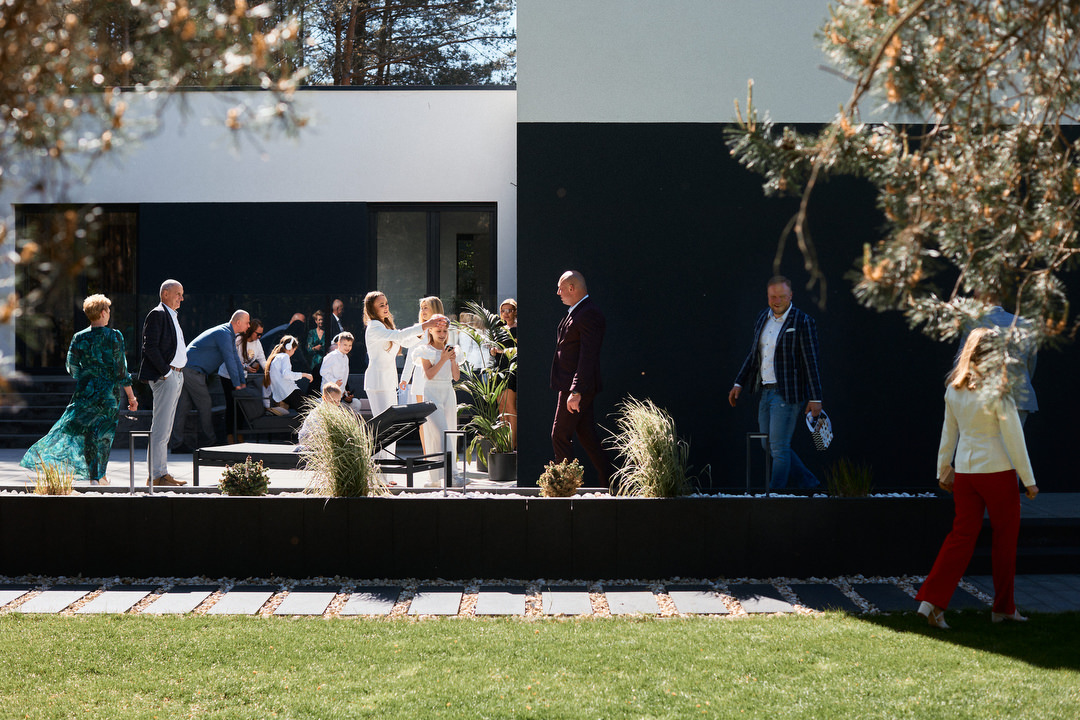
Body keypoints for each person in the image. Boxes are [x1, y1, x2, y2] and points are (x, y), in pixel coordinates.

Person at [916, 327, 1039, 629]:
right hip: (998, 472)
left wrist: (942, 470)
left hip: (966, 473)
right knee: (1005, 541)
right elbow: (1014, 437)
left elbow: (948, 433)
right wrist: (1029, 479)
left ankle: (931, 602)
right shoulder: (999, 390)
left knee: (960, 538)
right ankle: (1004, 609)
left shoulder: (953, 388)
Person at [20, 294, 137, 485]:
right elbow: (121, 371)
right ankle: (99, 475)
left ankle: (96, 476)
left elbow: (71, 367)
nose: (109, 314)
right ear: (102, 312)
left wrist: (87, 375)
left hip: (86, 392)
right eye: (108, 310)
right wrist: (131, 397)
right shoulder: (114, 336)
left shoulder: (79, 337)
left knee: (89, 433)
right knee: (104, 434)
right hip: (108, 394)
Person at [728, 275, 824, 490]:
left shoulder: (803, 321)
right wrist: (739, 383)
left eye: (782, 296)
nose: (777, 301)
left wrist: (816, 398)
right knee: (768, 444)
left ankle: (774, 495)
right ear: (767, 296)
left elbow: (811, 362)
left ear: (791, 295)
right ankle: (809, 482)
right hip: (766, 391)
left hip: (788, 393)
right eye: (773, 296)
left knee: (779, 447)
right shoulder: (763, 317)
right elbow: (754, 354)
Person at [363, 291, 446, 456]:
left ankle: (388, 468)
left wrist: (422, 332)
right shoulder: (374, 327)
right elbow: (400, 335)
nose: (386, 307)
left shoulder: (385, 326)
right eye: (381, 305)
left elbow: (405, 341)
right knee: (382, 428)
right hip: (377, 383)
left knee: (392, 425)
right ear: (372, 309)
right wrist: (425, 325)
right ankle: (379, 468)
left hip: (388, 382)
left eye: (386, 303)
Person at [550, 271, 613, 488]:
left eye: (560, 288)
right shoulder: (579, 311)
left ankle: (564, 487)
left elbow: (588, 356)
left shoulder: (588, 313)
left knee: (560, 435)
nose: (558, 293)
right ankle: (613, 482)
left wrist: (575, 391)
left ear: (572, 288)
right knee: (587, 436)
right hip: (573, 386)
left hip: (576, 387)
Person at [170, 310, 250, 453]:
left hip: (188, 370)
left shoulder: (227, 334)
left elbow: (236, 359)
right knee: (205, 404)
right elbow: (229, 360)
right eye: (247, 322)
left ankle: (176, 444)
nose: (249, 326)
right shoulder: (224, 334)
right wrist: (237, 384)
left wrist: (242, 381)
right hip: (192, 371)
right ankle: (210, 441)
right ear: (238, 322)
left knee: (183, 407)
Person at [959, 290, 1038, 425]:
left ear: (977, 299)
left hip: (981, 398)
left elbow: (962, 364)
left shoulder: (972, 323)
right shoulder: (1025, 324)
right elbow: (1030, 364)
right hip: (1019, 397)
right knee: (1013, 440)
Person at [136, 279, 187, 485]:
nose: (181, 298)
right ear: (165, 294)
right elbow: (149, 347)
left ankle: (160, 473)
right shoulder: (157, 314)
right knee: (161, 428)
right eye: (178, 294)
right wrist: (166, 372)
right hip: (167, 377)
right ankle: (157, 475)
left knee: (165, 429)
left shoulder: (171, 315)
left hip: (176, 376)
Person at [414, 317, 461, 483]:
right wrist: (443, 358)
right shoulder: (425, 350)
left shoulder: (453, 349)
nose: (442, 334)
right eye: (438, 331)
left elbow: (456, 377)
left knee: (451, 433)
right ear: (431, 331)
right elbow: (429, 375)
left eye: (444, 331)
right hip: (432, 393)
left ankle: (441, 476)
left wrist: (452, 360)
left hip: (448, 392)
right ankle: (450, 475)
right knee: (440, 433)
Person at [220, 318, 267, 443]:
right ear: (251, 331)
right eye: (258, 334)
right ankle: (230, 434)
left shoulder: (257, 343)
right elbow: (232, 359)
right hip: (228, 376)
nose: (259, 336)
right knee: (231, 405)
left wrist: (269, 371)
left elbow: (262, 359)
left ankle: (239, 433)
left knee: (241, 406)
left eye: (261, 334)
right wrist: (246, 367)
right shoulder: (239, 340)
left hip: (242, 377)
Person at [400, 296, 443, 408]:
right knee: (421, 411)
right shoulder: (418, 329)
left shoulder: (444, 330)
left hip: (438, 376)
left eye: (426, 308)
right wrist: (405, 379)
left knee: (436, 410)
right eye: (421, 308)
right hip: (420, 375)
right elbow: (411, 357)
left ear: (435, 309)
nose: (423, 311)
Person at [491, 298, 518, 450]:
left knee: (510, 407)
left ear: (515, 312)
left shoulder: (517, 329)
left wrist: (502, 351)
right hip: (499, 371)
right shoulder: (499, 330)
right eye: (503, 311)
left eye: (509, 310)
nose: (505, 313)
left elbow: (517, 349)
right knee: (501, 408)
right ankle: (504, 444)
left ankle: (513, 445)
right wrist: (493, 350)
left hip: (511, 370)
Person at [320, 331, 365, 415]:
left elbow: (343, 377)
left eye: (350, 345)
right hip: (330, 391)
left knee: (354, 405)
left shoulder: (346, 358)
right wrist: (334, 381)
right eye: (345, 345)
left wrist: (344, 392)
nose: (347, 348)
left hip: (339, 393)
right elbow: (323, 372)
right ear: (339, 343)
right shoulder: (331, 356)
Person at [264, 336, 313, 411]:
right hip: (289, 391)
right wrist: (305, 375)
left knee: (305, 410)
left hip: (282, 394)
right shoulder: (285, 356)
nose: (294, 352)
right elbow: (286, 374)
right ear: (289, 348)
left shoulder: (274, 358)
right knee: (311, 409)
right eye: (294, 350)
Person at [297, 382, 343, 447]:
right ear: (324, 398)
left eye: (338, 401)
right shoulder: (319, 411)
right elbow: (317, 429)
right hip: (307, 437)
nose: (336, 404)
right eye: (333, 401)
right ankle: (307, 446)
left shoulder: (335, 410)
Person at [307, 309, 327, 393]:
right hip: (314, 363)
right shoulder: (312, 333)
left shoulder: (327, 332)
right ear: (316, 321)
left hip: (325, 362)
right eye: (319, 320)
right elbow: (308, 349)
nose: (321, 321)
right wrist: (315, 348)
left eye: (322, 319)